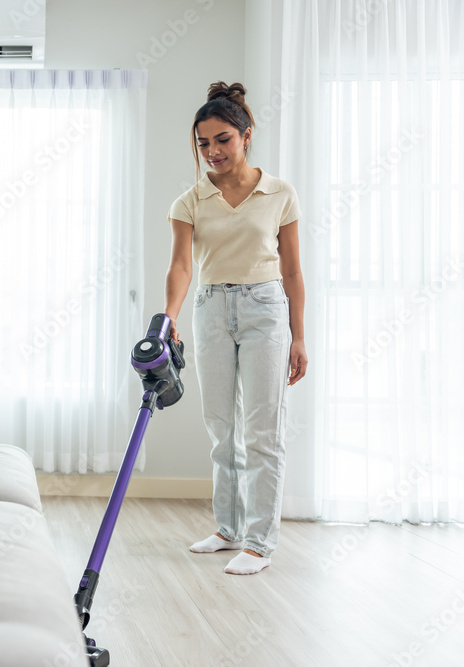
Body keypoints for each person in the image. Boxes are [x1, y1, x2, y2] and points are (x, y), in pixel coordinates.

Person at [164, 81, 307, 575]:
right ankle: (229, 529)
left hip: (265, 309)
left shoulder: (279, 193)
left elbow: (291, 271)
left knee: (263, 431)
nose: (213, 152)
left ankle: (260, 543)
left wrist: (300, 335)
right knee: (221, 428)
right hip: (210, 308)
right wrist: (170, 317)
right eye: (203, 143)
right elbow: (182, 266)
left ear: (246, 136)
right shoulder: (192, 200)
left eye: (223, 139)